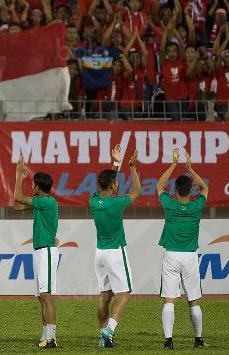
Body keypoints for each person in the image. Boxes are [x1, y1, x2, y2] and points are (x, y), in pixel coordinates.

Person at [156, 149, 209, 349]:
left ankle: (168, 341)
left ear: (176, 190)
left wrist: (173, 164)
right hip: (190, 257)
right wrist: (190, 168)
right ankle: (198, 340)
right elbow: (205, 188)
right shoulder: (197, 206)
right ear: (190, 190)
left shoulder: (169, 204)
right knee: (193, 300)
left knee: (169, 300)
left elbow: (160, 185)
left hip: (171, 256)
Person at [90, 145, 141, 348]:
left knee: (104, 296)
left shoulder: (93, 201)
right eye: (116, 183)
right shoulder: (117, 202)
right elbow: (137, 191)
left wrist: (116, 164)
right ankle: (110, 329)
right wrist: (132, 167)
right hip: (115, 252)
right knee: (124, 292)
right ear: (113, 186)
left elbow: (107, 186)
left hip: (99, 254)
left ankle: (103, 337)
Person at [13, 154, 59, 349]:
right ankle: (45, 337)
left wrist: (18, 176)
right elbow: (17, 205)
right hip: (40, 252)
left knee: (46, 296)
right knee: (42, 297)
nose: (31, 188)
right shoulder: (41, 203)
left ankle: (52, 338)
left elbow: (17, 197)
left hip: (46, 252)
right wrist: (22, 179)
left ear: (38, 188)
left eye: (32, 185)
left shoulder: (47, 202)